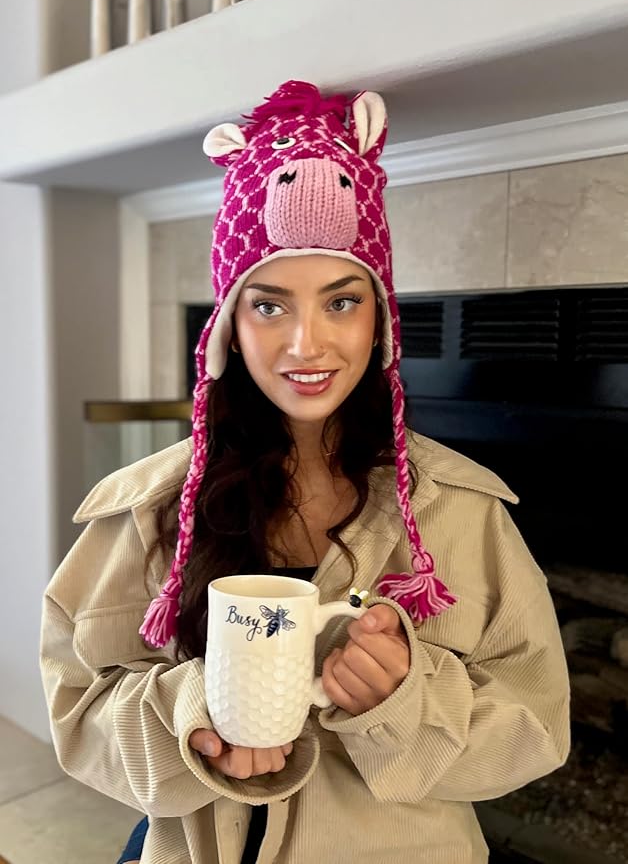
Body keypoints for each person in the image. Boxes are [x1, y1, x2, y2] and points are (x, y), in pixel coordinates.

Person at [40, 80, 570, 864]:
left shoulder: (460, 509)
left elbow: (537, 727)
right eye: (269, 305)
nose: (306, 344)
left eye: (341, 301)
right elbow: (78, 706)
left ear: (380, 314)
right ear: (229, 322)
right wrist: (194, 710)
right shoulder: (150, 508)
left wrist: (406, 699)